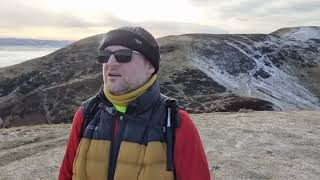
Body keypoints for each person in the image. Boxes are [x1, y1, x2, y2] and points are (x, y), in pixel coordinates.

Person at [58, 26, 211, 180]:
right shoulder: (86, 114)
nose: (110, 63)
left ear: (150, 66)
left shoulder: (177, 123)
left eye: (123, 55)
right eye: (105, 55)